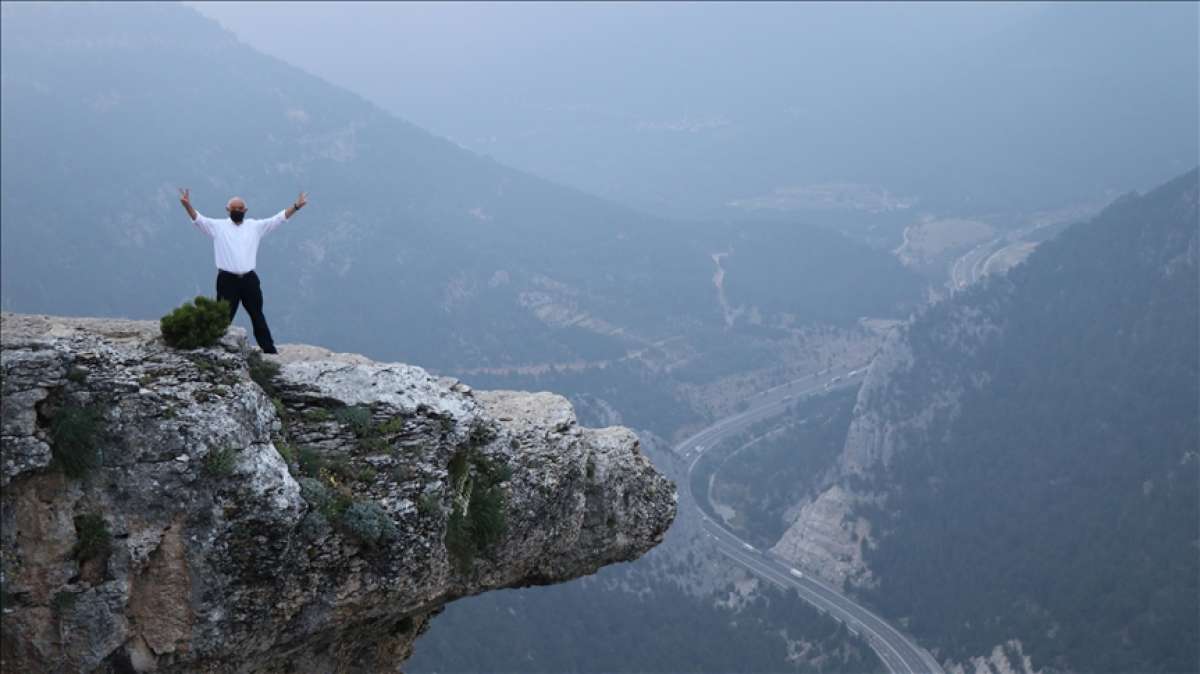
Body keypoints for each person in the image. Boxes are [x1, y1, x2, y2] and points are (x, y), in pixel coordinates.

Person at [177, 189, 307, 354]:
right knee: (223, 317)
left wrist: (296, 206)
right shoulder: (218, 227)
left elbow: (279, 219)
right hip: (227, 280)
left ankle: (268, 349)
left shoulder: (255, 227)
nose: (237, 211)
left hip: (249, 279)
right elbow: (198, 219)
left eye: (240, 209)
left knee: (257, 314)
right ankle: (216, 347)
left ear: (245, 211)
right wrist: (187, 205)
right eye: (234, 209)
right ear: (227, 210)